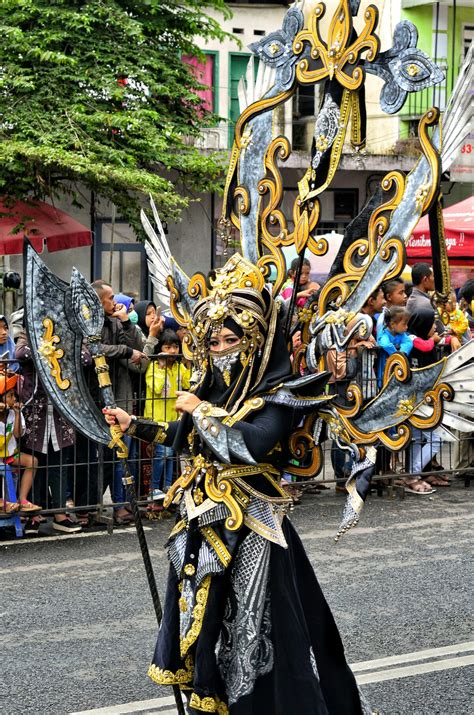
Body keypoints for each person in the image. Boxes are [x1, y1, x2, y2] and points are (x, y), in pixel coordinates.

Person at [103, 255, 367, 714]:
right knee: (202, 624)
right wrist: (134, 424)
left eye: (232, 340)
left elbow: (251, 445)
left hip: (253, 528)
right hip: (201, 520)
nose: (222, 349)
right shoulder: (212, 389)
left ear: (255, 342)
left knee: (253, 630)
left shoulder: (280, 393)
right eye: (216, 341)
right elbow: (183, 437)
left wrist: (201, 411)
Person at [90, 280, 146, 524]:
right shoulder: (89, 323)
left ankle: (121, 504)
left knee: (123, 454)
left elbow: (138, 354)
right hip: (96, 399)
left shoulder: (115, 321)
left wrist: (125, 322)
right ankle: (94, 506)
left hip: (121, 396)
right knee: (102, 456)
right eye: (109, 297)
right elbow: (94, 348)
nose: (113, 302)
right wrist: (124, 351)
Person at [144, 329, 190, 504]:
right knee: (162, 453)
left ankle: (169, 488)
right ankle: (154, 488)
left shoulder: (179, 366)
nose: (172, 351)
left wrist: (186, 362)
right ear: (160, 349)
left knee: (171, 454)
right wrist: (162, 368)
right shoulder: (153, 367)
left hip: (174, 418)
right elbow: (156, 387)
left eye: (175, 347)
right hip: (157, 418)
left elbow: (188, 382)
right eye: (167, 347)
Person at [0, 372, 41, 515]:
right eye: (10, 396)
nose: (14, 399)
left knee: (32, 461)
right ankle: (2, 502)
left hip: (9, 454)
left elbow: (17, 434)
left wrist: (17, 414)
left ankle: (22, 499)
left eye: (14, 396)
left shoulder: (12, 414)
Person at [376, 306, 413, 386]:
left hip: (398, 370)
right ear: (392, 324)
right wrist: (397, 355)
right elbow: (385, 344)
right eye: (404, 324)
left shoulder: (402, 334)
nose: (406, 327)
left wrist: (402, 353)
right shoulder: (383, 333)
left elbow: (408, 342)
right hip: (384, 371)